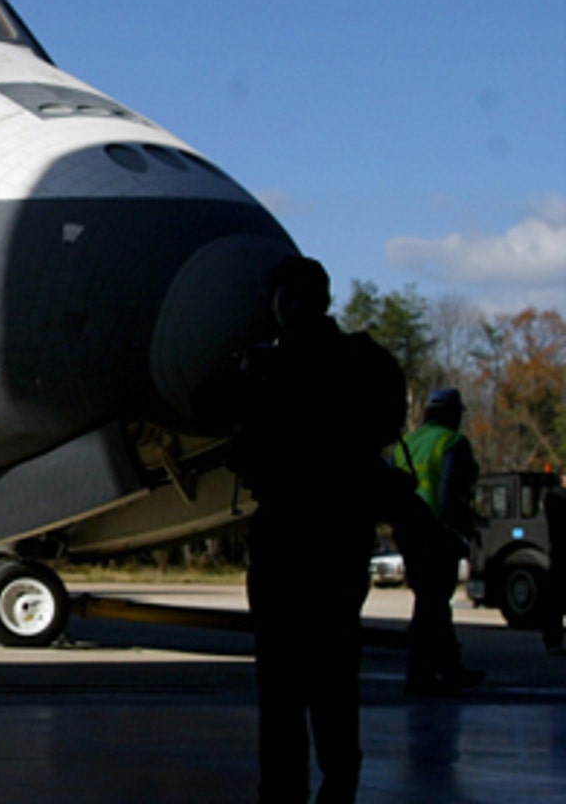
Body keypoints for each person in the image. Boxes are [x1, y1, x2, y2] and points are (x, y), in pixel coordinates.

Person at [202, 256, 404, 804]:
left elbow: (220, 420)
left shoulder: (269, 370)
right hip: (338, 531)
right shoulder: (365, 362)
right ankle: (336, 783)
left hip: (293, 533)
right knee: (332, 673)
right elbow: (387, 425)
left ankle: (290, 789)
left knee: (284, 681)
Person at [386, 388, 483, 695]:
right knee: (433, 602)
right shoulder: (453, 442)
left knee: (431, 601)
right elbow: (450, 492)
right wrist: (457, 533)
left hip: (407, 531)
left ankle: (449, 669)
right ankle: (421, 674)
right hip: (435, 533)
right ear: (452, 414)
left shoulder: (406, 444)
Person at [542, 471, 566, 656]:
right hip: (560, 554)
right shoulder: (555, 498)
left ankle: (553, 639)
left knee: (554, 602)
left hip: (558, 554)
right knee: (555, 602)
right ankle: (553, 639)